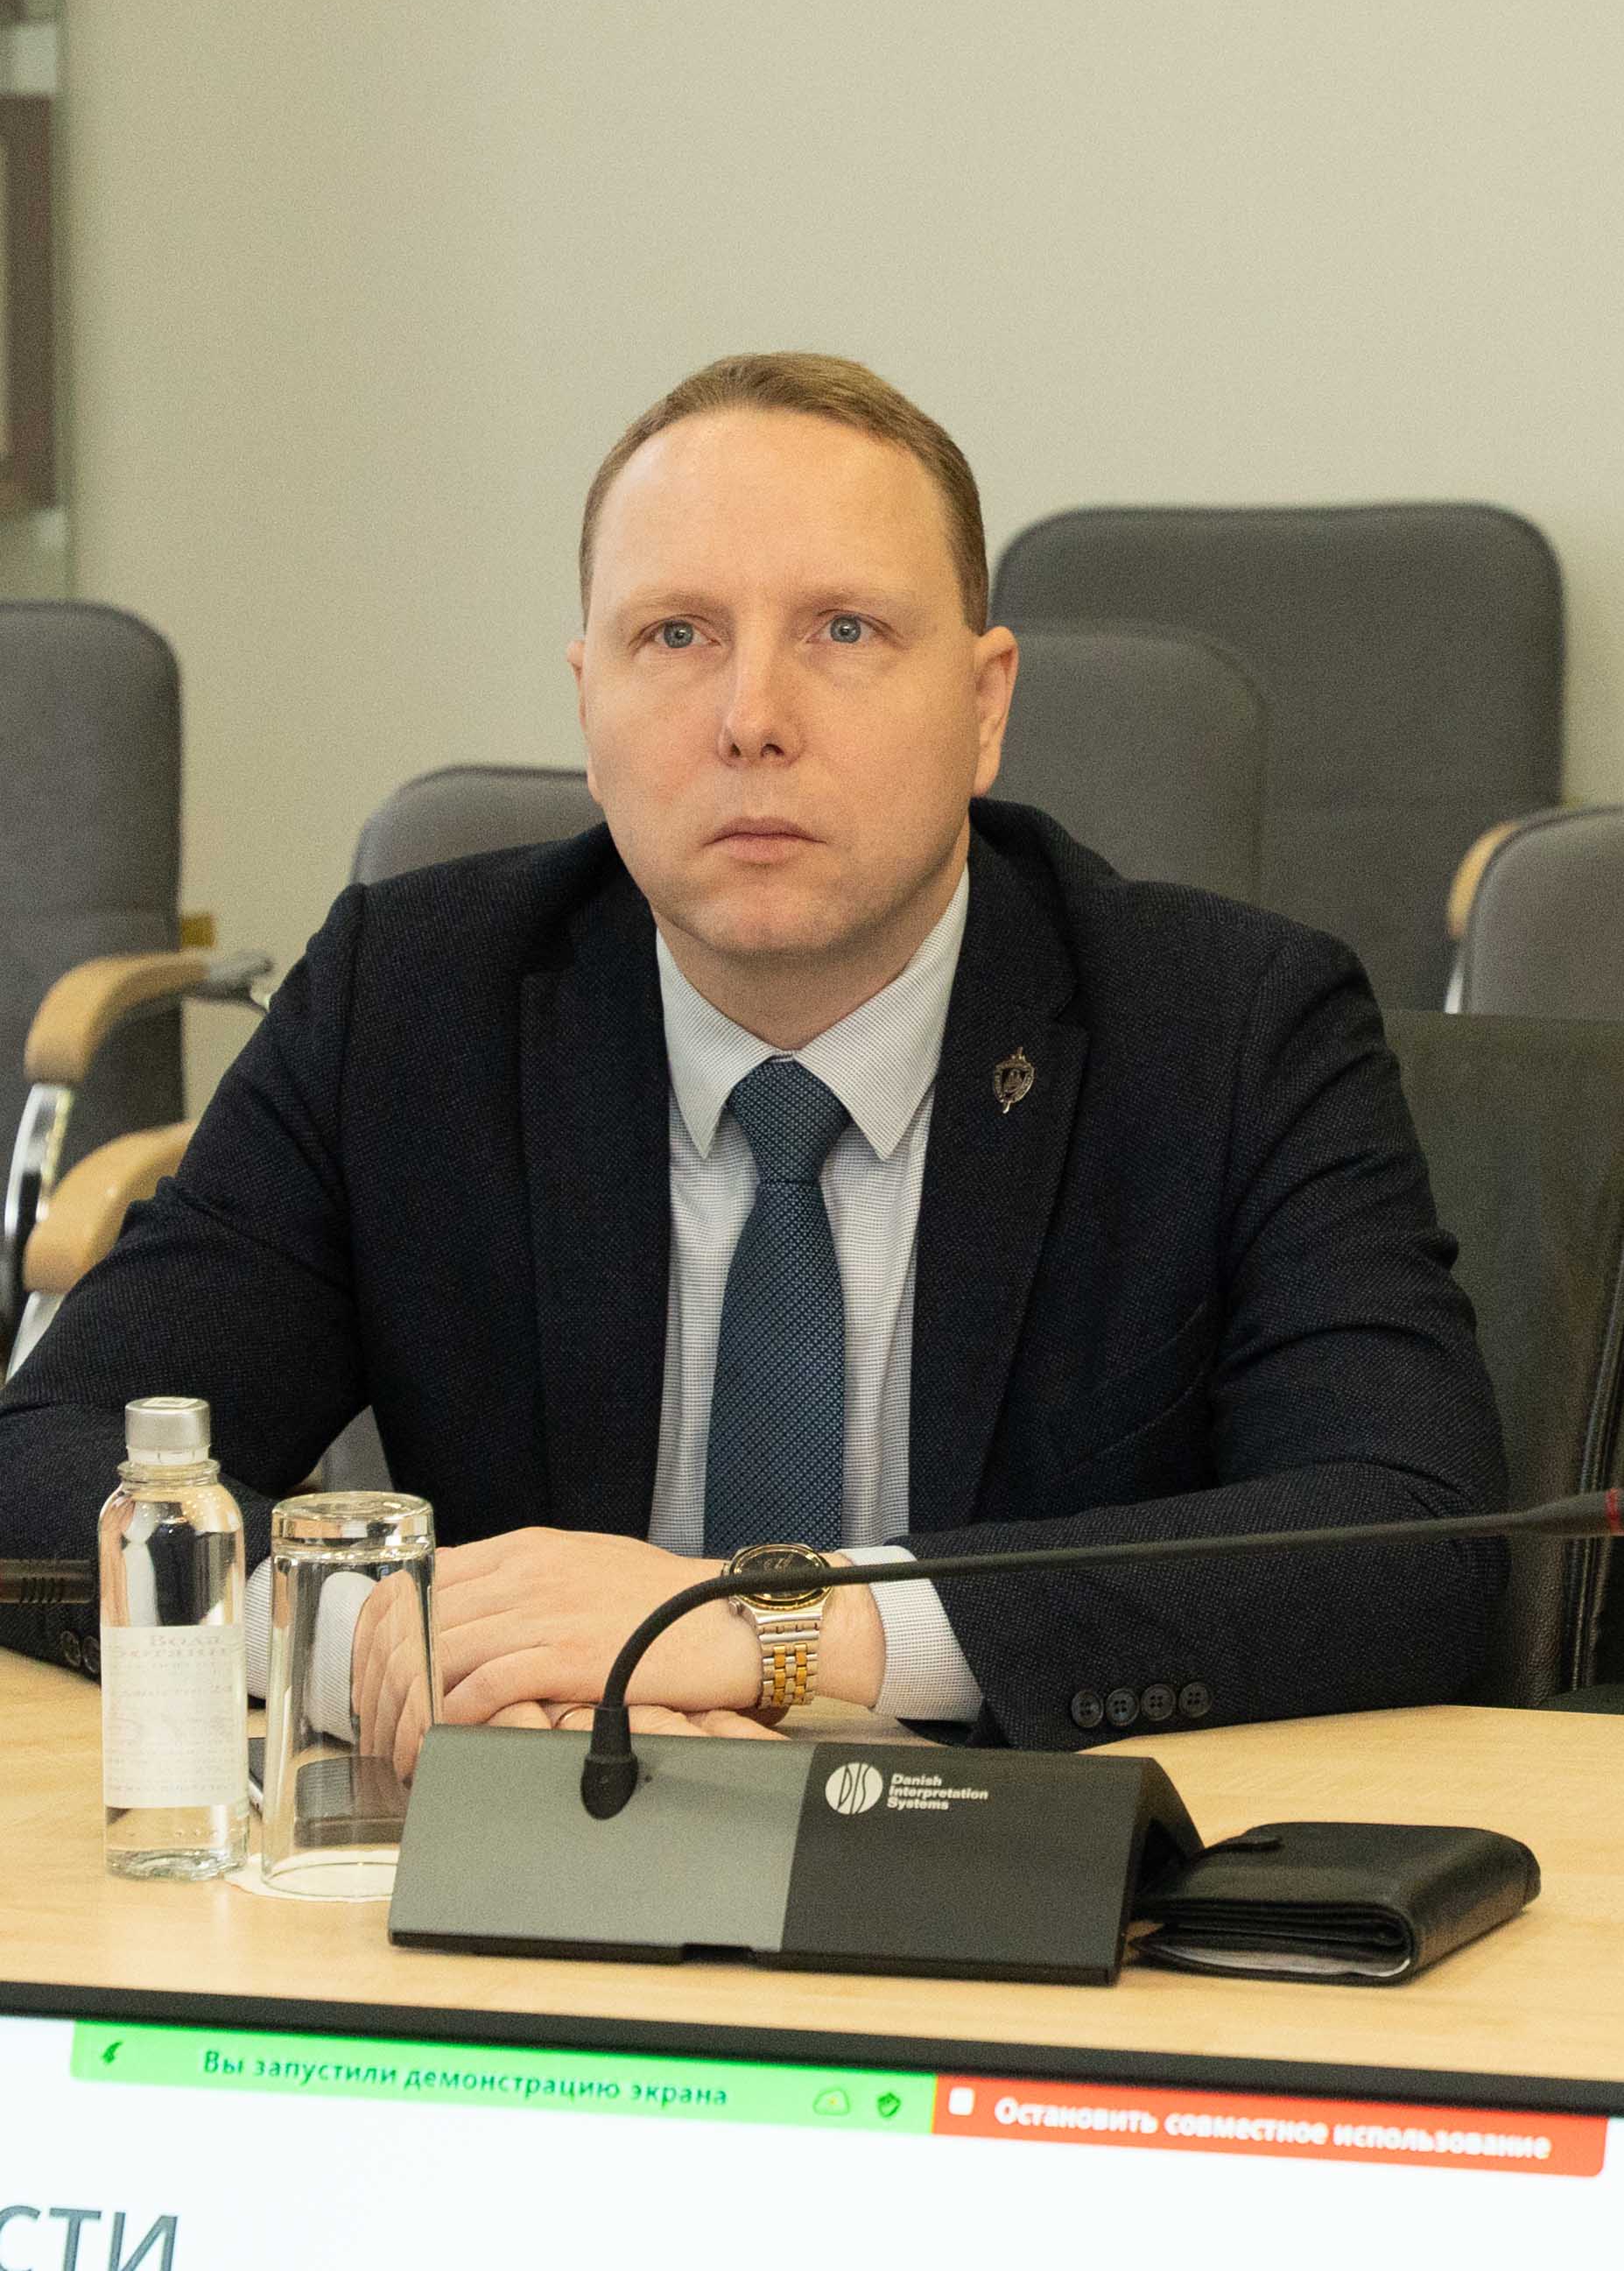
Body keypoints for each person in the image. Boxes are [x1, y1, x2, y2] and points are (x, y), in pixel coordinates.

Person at [0, 353, 1505, 1769]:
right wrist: (367, 1645)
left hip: (1019, 1885)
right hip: (530, 1873)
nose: (753, 720)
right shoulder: (409, 1003)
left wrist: (778, 1629)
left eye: (845, 631)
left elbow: (1413, 1537)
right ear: (588, 703)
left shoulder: (1231, 1027)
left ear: (985, 706)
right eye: (677, 635)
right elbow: (53, 1458)